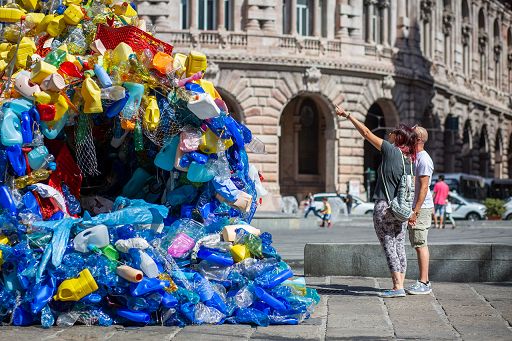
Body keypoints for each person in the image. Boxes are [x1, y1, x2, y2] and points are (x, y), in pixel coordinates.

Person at [336, 105, 418, 298]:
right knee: (399, 245)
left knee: (389, 244)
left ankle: (397, 287)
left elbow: (365, 132)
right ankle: (400, 284)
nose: (390, 133)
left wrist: (347, 115)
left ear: (399, 138)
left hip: (385, 206)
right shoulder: (410, 160)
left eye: (394, 132)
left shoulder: (391, 151)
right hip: (402, 210)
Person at [406, 126, 434, 295]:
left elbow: (424, 187)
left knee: (420, 243)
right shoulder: (416, 157)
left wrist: (415, 211)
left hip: (421, 207)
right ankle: (423, 281)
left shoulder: (424, 159)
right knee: (418, 243)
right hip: (417, 206)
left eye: (410, 135)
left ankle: (424, 282)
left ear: (417, 140)